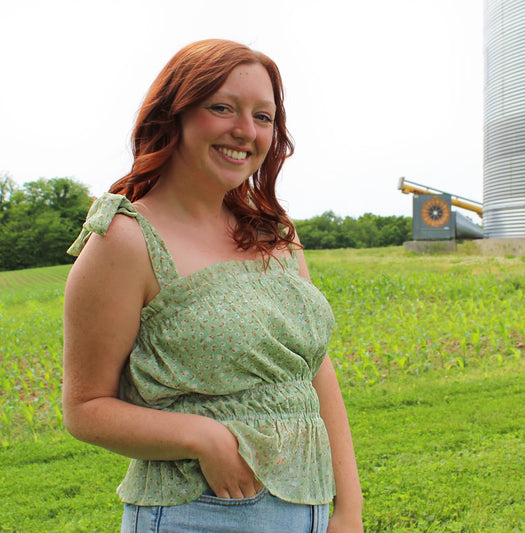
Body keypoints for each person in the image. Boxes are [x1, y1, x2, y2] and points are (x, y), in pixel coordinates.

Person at [62, 39, 363, 533]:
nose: (245, 131)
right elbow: (85, 408)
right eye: (222, 108)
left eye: (263, 117)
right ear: (174, 115)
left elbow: (314, 371)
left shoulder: (274, 233)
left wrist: (348, 507)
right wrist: (203, 437)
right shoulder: (126, 241)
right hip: (198, 513)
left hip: (309, 507)